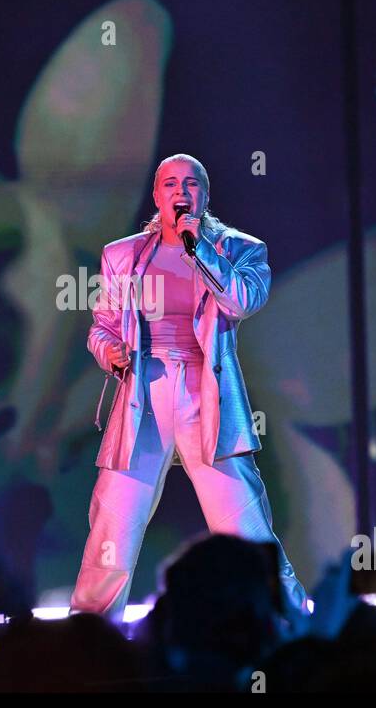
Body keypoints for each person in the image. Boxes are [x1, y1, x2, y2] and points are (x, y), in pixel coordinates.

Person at [71, 153, 308, 625]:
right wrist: (110, 351)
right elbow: (101, 326)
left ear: (204, 194)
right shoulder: (124, 255)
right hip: (144, 396)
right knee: (112, 524)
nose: (181, 191)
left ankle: (295, 621)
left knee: (245, 526)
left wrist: (199, 249)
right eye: (170, 183)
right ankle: (89, 632)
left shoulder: (240, 249)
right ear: (157, 196)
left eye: (192, 183)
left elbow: (240, 302)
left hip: (206, 398)